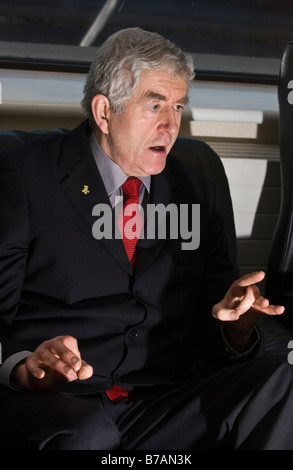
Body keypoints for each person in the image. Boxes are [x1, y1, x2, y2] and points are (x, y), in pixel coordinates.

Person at [0, 27, 292, 451]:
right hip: (58, 402)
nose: (171, 124)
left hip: (160, 402)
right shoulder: (25, 178)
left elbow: (217, 323)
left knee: (284, 379)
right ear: (104, 112)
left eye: (178, 106)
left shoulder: (196, 185)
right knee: (88, 434)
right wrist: (24, 365)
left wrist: (239, 329)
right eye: (154, 105)